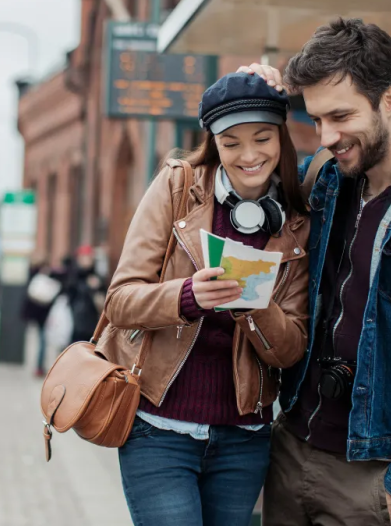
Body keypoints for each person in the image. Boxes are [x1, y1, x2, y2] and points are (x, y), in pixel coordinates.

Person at [239, 18, 391, 526]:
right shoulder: (323, 178)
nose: (327, 137)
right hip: (289, 451)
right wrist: (249, 96)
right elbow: (239, 197)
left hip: (370, 479)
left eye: (341, 116)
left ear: (389, 99)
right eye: (317, 119)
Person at [99, 72, 311, 526]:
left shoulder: (296, 221)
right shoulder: (178, 187)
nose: (250, 155)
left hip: (243, 438)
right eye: (231, 142)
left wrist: (255, 309)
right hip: (158, 428)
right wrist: (188, 296)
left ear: (282, 138)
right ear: (213, 143)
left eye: (262, 138)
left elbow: (292, 348)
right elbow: (119, 302)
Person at [23, 259, 60, 377]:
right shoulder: (40, 279)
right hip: (42, 317)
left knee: (43, 341)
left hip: (42, 317)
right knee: (43, 341)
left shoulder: (44, 279)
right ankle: (39, 366)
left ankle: (40, 366)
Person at [63, 245, 104, 344]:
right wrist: (88, 286)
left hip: (93, 320)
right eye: (85, 257)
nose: (87, 260)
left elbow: (103, 293)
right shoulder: (74, 274)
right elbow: (71, 292)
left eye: (89, 257)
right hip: (77, 321)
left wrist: (98, 286)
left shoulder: (96, 275)